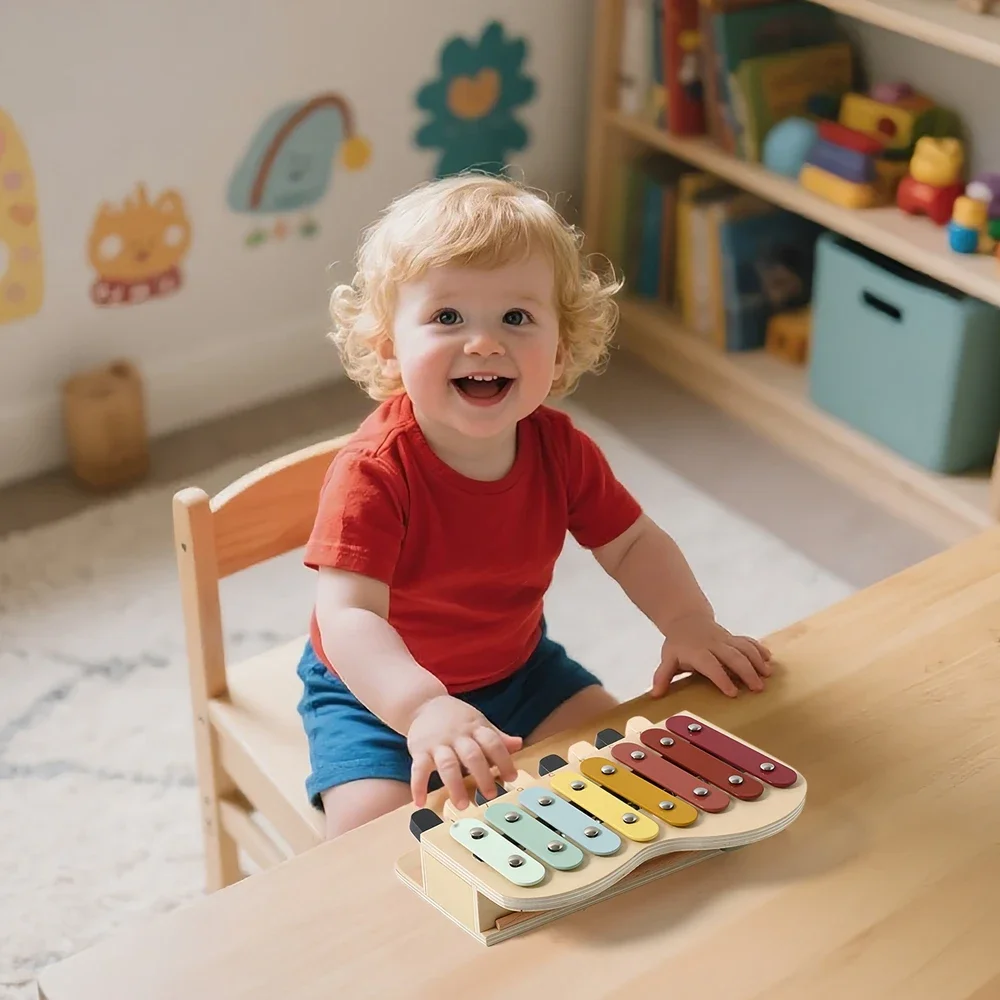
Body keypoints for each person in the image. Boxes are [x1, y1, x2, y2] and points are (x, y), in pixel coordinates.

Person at [296, 172, 772, 840]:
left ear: (562, 346)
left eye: (516, 318)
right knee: (371, 838)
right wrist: (423, 707)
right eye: (447, 317)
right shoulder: (373, 474)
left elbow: (632, 543)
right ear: (389, 350)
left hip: (520, 671)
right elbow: (347, 617)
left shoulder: (560, 449)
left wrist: (688, 621)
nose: (484, 342)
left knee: (632, 771)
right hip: (375, 697)